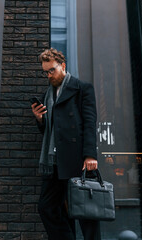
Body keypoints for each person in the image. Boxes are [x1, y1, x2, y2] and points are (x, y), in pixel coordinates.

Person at [31, 48, 101, 240]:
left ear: (63, 66)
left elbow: (89, 123)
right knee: (47, 207)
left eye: (51, 70)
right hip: (53, 161)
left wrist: (90, 155)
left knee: (87, 213)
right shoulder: (48, 94)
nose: (49, 75)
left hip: (76, 159)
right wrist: (40, 119)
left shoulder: (82, 89)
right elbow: (51, 129)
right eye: (45, 72)